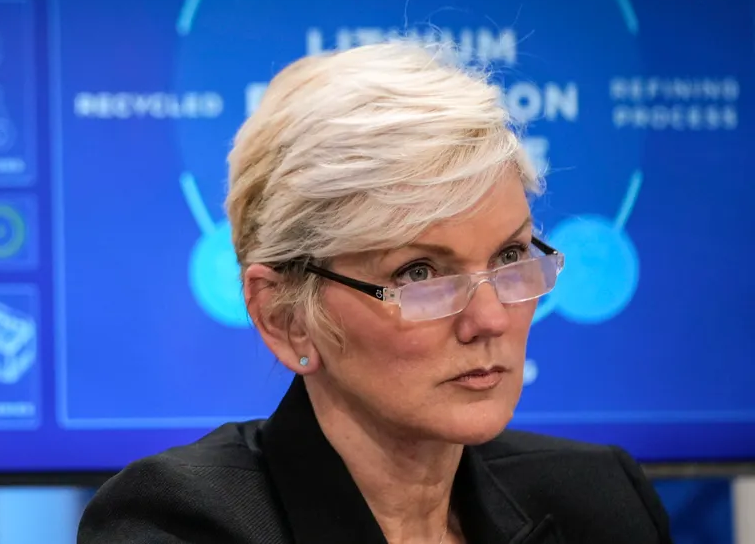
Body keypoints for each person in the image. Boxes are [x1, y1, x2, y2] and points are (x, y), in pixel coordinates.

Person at [77, 40, 673, 543]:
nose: (490, 318)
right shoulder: (179, 523)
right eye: (419, 273)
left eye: (511, 255)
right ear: (286, 318)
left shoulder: (602, 501)